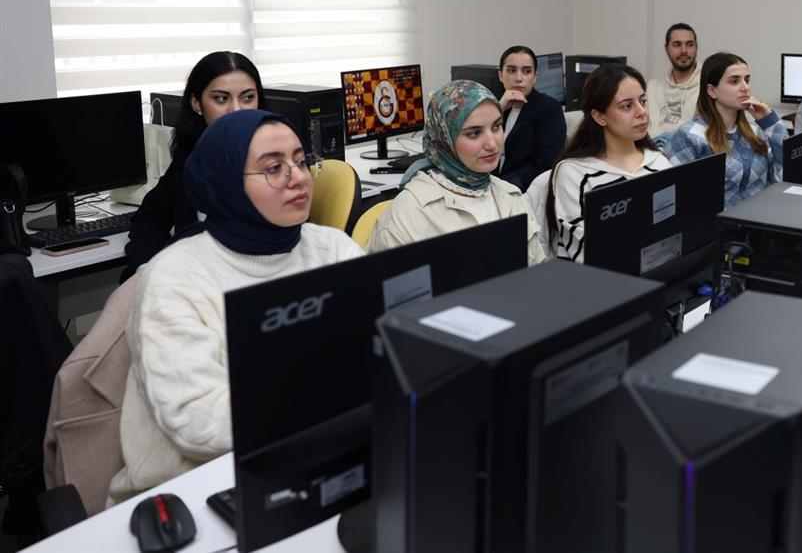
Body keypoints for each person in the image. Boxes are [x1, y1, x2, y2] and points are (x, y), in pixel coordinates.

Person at [108, 110, 363, 504]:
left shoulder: (331, 247)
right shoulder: (174, 277)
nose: (298, 177)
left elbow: (384, 345)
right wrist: (337, 388)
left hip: (322, 457)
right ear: (225, 181)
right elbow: (199, 422)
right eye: (274, 168)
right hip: (194, 487)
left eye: (301, 161)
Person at [368, 81, 544, 265]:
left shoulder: (511, 196)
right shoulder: (409, 213)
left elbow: (540, 275)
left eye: (496, 126)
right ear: (445, 138)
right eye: (474, 133)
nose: (492, 144)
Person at [124, 51, 265, 279]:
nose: (236, 110)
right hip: (192, 278)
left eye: (247, 97)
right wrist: (153, 268)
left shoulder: (277, 157)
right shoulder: (192, 155)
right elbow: (150, 217)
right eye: (222, 99)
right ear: (196, 103)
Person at [549, 65, 671, 262]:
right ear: (600, 116)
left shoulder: (659, 162)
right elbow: (584, 248)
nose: (642, 112)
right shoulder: (574, 172)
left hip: (660, 269)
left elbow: (674, 226)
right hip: (599, 277)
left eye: (642, 101)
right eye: (627, 106)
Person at [665, 52, 786, 208]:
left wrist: (771, 123)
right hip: (715, 222)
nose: (745, 87)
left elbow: (781, 178)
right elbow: (675, 199)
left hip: (760, 219)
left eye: (747, 80)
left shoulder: (755, 132)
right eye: (734, 81)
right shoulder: (689, 136)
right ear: (712, 91)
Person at [493, 45, 566, 191]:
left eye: (527, 71)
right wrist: (499, 108)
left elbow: (546, 165)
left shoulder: (549, 108)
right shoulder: (496, 105)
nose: (519, 78)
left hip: (522, 190)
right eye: (512, 70)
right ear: (501, 76)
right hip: (489, 183)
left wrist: (501, 187)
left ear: (535, 77)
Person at [647, 23, 700, 145]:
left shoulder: (709, 86)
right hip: (652, 150)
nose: (684, 51)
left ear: (696, 48)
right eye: (677, 44)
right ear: (666, 49)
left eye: (689, 44)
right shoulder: (653, 86)